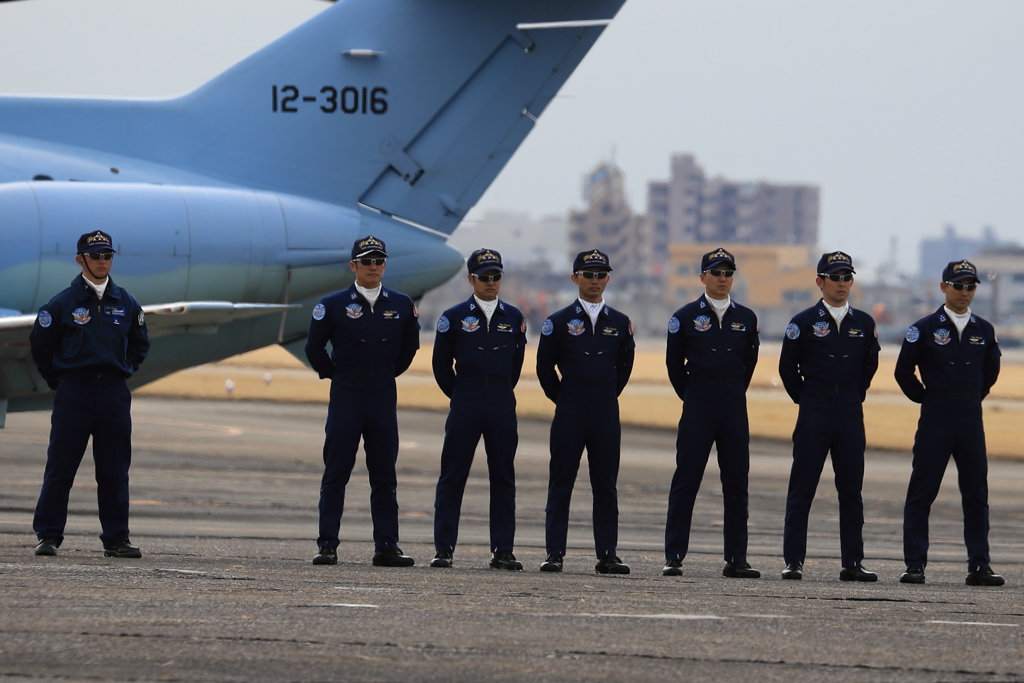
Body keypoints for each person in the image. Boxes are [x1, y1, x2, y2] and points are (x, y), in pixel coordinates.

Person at [29, 230, 150, 558]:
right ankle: (48, 536)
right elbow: (40, 344)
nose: (102, 261)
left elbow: (140, 344)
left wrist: (122, 370)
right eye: (95, 256)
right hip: (74, 394)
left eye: (107, 255)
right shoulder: (62, 303)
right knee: (61, 468)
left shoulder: (125, 302)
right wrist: (60, 381)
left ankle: (116, 539)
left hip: (112, 394)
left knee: (113, 470)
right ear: (80, 259)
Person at [305, 235, 420, 567]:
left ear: (385, 265)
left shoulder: (400, 305)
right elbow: (314, 348)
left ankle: (387, 546)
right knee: (336, 471)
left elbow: (409, 348)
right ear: (353, 265)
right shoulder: (333, 305)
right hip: (347, 393)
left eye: (379, 261)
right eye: (366, 261)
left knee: (384, 475)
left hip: (383, 394)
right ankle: (327, 544)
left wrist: (385, 374)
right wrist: (336, 375)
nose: (373, 267)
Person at [895, 260, 1003, 586]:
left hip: (970, 421)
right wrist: (927, 398)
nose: (965, 292)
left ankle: (979, 566)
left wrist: (971, 397)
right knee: (921, 494)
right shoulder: (924, 328)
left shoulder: (984, 330)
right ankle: (915, 564)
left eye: (971, 286)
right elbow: (903, 372)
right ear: (944, 287)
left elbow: (991, 372)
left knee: (976, 496)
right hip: (935, 421)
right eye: (958, 286)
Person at [778, 251, 880, 582]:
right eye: (834, 277)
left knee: (851, 491)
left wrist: (852, 396)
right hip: (814, 411)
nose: (841, 283)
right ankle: (793, 560)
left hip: (849, 413)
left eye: (847, 277)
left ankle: (853, 562)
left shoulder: (864, 323)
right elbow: (787, 368)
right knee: (802, 488)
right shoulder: (803, 322)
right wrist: (807, 399)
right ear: (820, 282)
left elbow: (870, 366)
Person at [663, 248, 760, 579]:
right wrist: (692, 396)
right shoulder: (685, 317)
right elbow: (674, 365)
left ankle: (737, 558)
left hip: (733, 404)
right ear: (702, 276)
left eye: (728, 273)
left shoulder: (747, 318)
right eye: (716, 272)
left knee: (736, 483)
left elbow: (749, 362)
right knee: (686, 480)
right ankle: (674, 555)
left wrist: (731, 391)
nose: (722, 278)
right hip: (698, 404)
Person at [536, 249, 635, 574]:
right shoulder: (559, 321)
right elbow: (544, 367)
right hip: (571, 409)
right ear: (574, 277)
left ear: (607, 278)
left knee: (605, 484)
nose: (594, 280)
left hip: (605, 409)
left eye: (600, 274)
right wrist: (564, 398)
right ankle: (554, 553)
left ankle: (607, 554)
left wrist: (605, 394)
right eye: (588, 274)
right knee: (561, 481)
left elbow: (624, 366)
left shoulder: (620, 323)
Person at [429, 249, 527, 570]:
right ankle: (444, 548)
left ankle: (503, 550)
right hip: (466, 401)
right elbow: (441, 365)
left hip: (500, 402)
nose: (490, 282)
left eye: (496, 276)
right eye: (484, 277)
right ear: (471, 279)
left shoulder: (514, 318)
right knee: (453, 476)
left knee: (503, 477)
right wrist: (460, 395)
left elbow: (515, 365)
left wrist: (497, 391)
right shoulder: (453, 317)